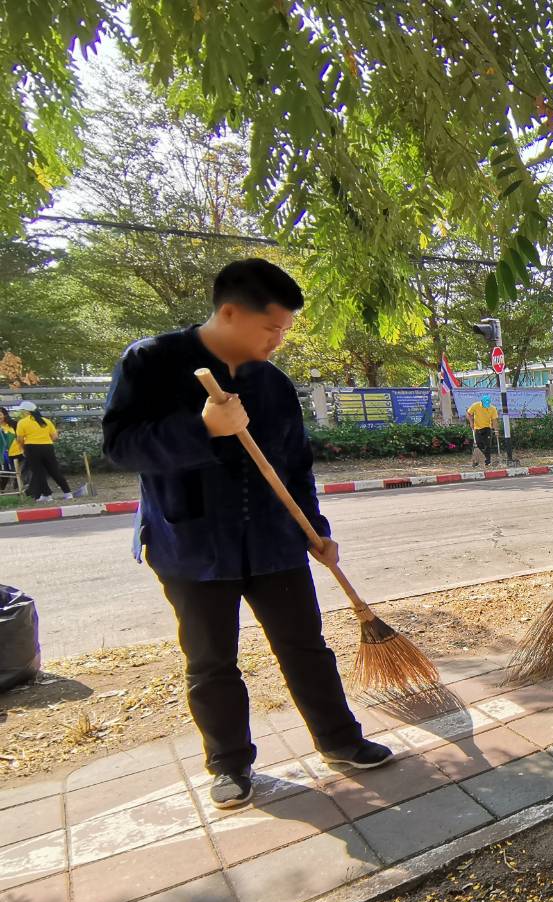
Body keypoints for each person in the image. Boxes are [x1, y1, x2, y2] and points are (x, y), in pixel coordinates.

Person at [103, 258, 391, 810]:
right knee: (212, 661)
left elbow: (295, 466)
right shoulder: (152, 363)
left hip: (274, 541)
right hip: (191, 547)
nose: (277, 341)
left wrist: (316, 532)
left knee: (306, 647)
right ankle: (229, 765)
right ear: (230, 312)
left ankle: (339, 741)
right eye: (271, 328)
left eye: (283, 331)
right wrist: (203, 428)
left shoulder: (272, 383)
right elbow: (121, 446)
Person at [15, 402, 73, 501]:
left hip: (32, 448)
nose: (21, 413)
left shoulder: (22, 422)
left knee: (38, 472)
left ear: (26, 412)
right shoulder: (46, 421)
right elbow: (55, 437)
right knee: (54, 470)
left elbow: (20, 439)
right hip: (48, 447)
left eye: (22, 411)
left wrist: (23, 448)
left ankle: (47, 495)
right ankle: (68, 493)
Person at [465, 393, 500, 463]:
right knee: (478, 444)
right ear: (482, 401)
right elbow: (468, 414)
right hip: (477, 428)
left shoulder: (493, 408)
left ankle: (487, 461)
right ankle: (477, 461)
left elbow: (494, 420)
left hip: (487, 428)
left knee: (488, 445)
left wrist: (496, 430)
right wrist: (471, 422)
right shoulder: (476, 405)